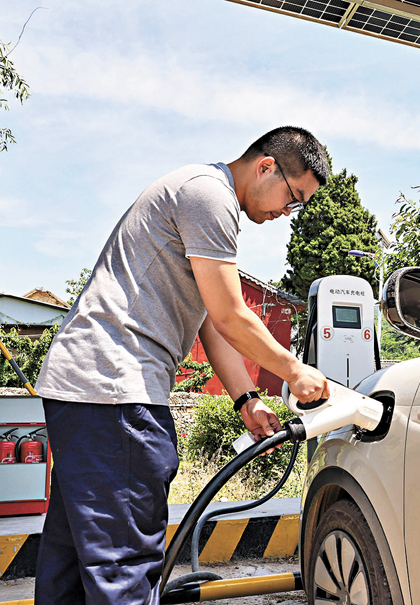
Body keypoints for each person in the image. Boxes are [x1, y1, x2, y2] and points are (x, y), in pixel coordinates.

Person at [33, 126, 332, 605]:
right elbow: (233, 316)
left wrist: (246, 401)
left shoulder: (200, 196)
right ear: (266, 166)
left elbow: (213, 325)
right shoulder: (208, 196)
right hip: (117, 392)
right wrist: (294, 369)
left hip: (86, 392)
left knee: (70, 569)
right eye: (292, 197)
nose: (286, 213)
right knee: (124, 572)